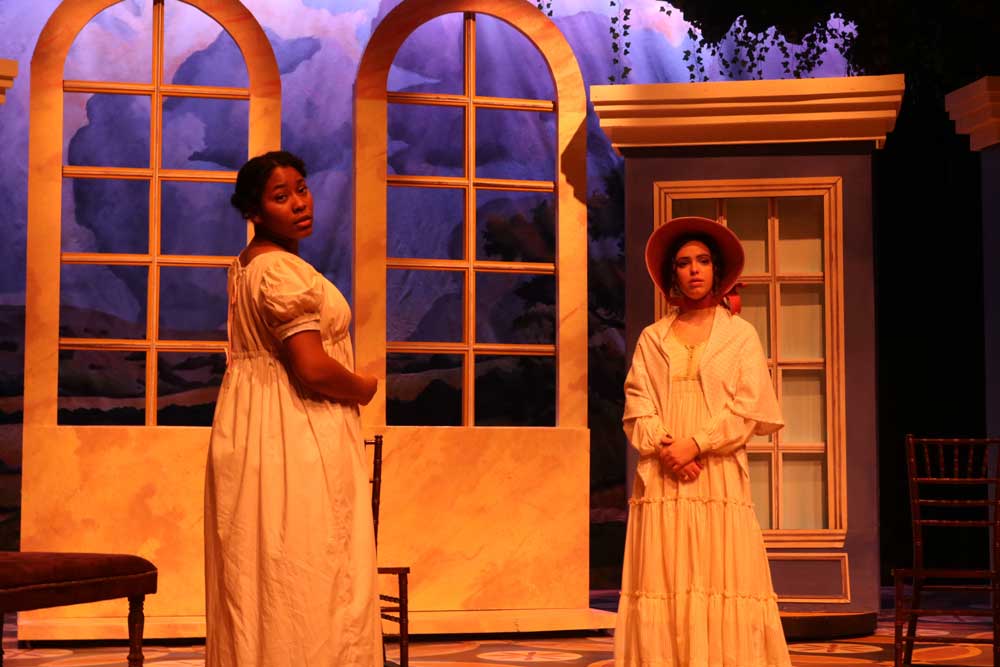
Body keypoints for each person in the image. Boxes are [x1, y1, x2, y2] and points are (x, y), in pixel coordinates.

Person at [204, 151, 382, 666]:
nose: (299, 203)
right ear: (254, 212)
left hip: (254, 428)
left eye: (301, 189)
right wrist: (362, 386)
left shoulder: (249, 267)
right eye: (281, 197)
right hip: (293, 434)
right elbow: (312, 367)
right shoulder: (281, 272)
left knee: (265, 570)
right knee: (308, 574)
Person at [614, 216, 791, 667]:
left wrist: (697, 444)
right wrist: (668, 449)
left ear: (717, 269)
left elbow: (750, 408)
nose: (694, 270)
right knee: (666, 578)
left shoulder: (739, 335)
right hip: (663, 474)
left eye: (703, 261)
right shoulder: (653, 338)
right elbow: (638, 405)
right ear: (672, 273)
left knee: (719, 576)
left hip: (716, 474)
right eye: (684, 263)